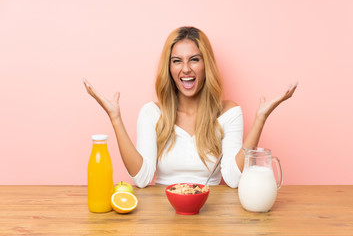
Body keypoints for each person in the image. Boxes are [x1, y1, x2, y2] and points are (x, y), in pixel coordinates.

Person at [82, 26, 297, 188]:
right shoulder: (151, 113)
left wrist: (260, 119)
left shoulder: (229, 113)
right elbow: (141, 178)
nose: (186, 69)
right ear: (169, 68)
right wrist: (115, 119)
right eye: (177, 61)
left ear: (206, 65)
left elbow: (233, 179)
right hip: (162, 214)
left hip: (211, 213)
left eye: (194, 59)